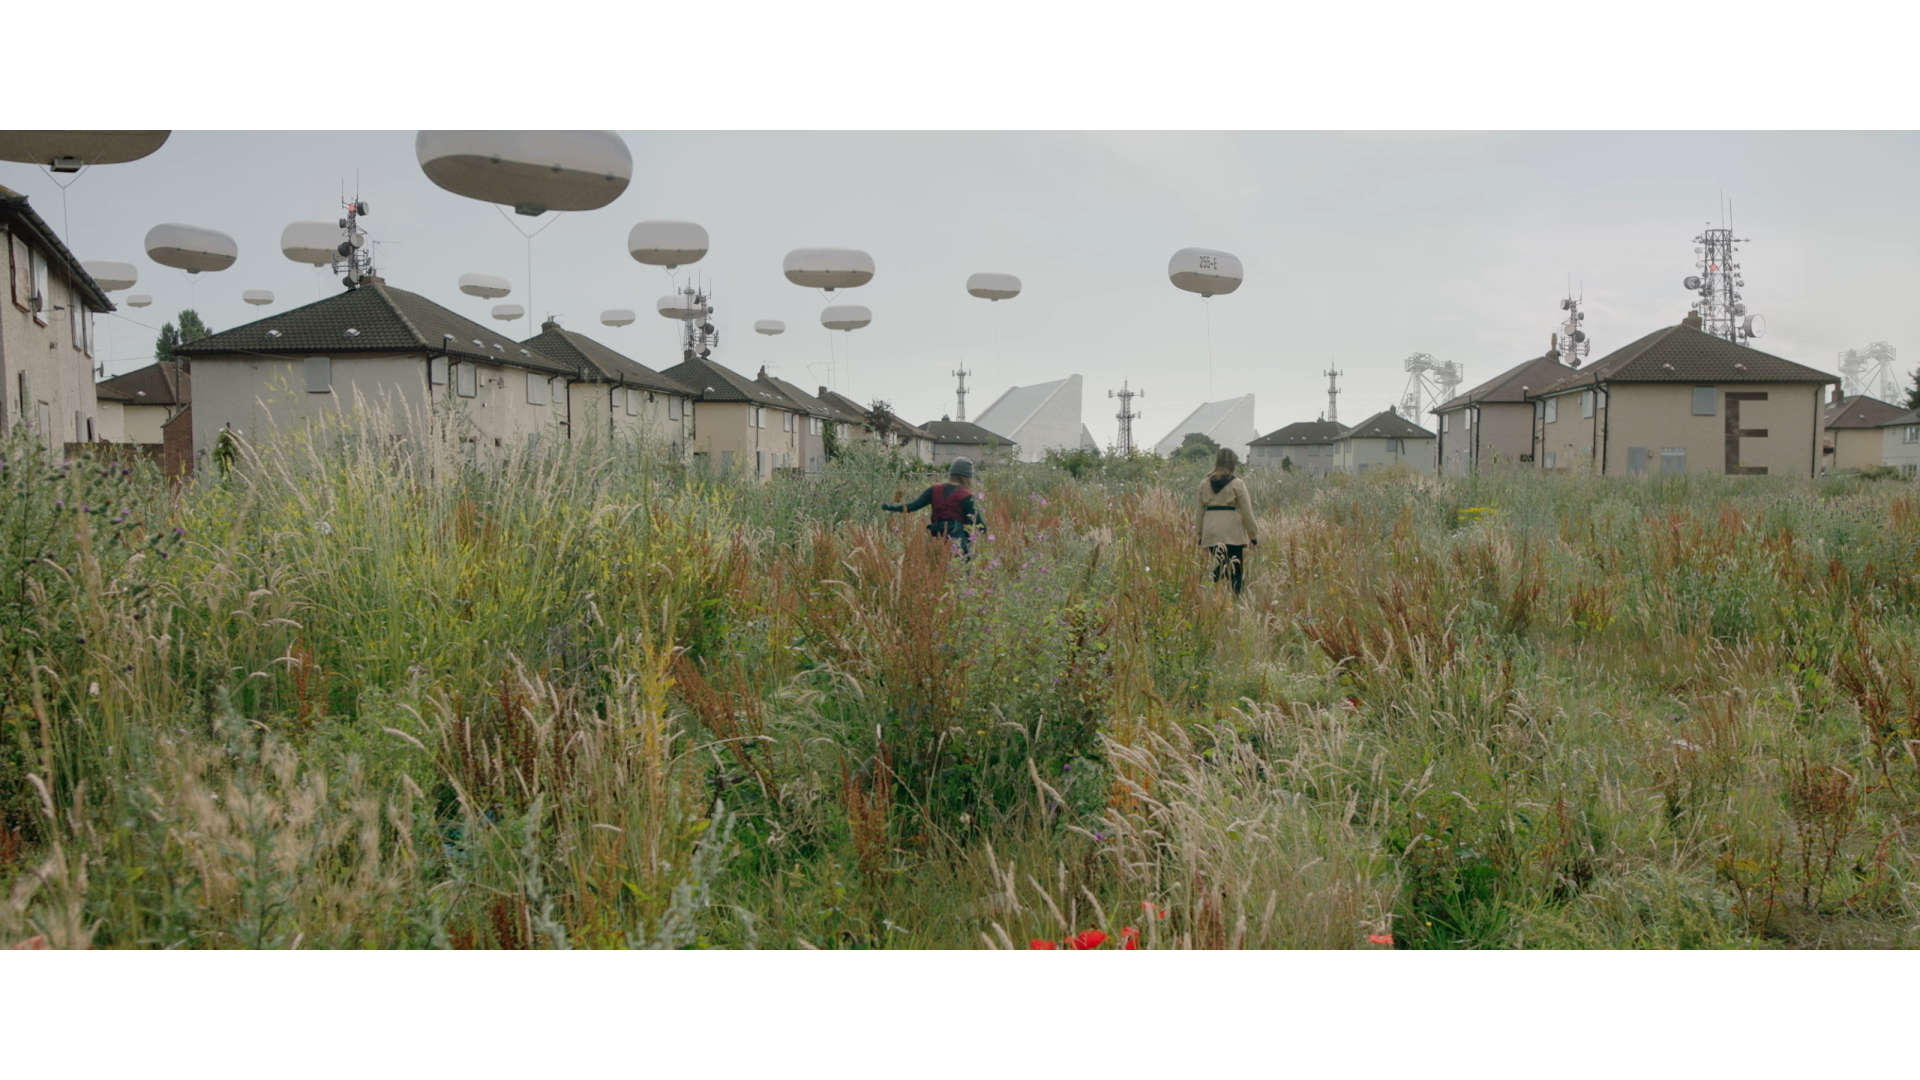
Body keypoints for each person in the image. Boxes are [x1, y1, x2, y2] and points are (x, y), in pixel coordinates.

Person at [883, 458, 984, 556]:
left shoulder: (935, 489)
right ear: (967, 477)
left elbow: (912, 506)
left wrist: (890, 507)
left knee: (933, 563)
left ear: (951, 473)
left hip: (935, 538)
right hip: (956, 543)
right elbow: (979, 524)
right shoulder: (966, 496)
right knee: (963, 565)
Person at [1196, 447, 1258, 595]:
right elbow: (1247, 512)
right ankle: (1235, 599)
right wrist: (1253, 535)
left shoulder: (1204, 483)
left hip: (1211, 531)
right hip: (1232, 532)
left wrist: (1199, 534)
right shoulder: (1237, 484)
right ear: (1232, 464)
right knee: (1236, 571)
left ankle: (1214, 595)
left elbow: (1199, 512)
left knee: (1219, 566)